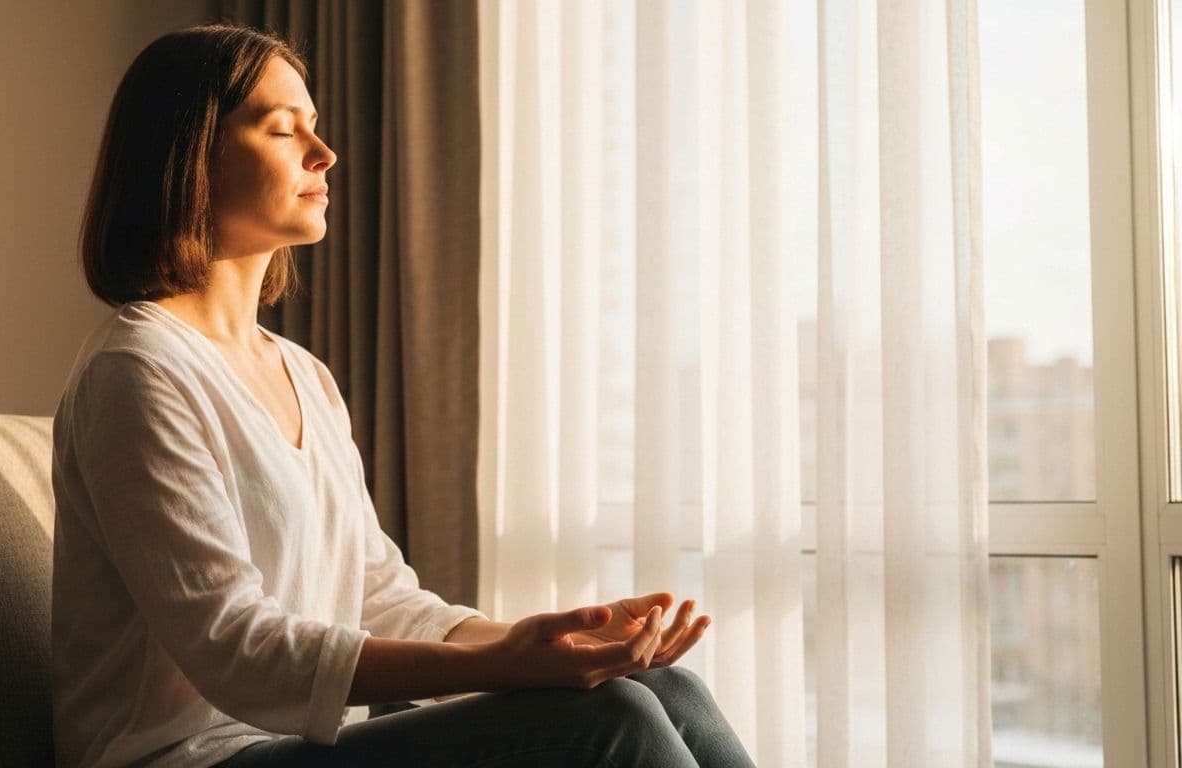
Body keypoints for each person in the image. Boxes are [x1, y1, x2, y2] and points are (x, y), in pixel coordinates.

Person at [51, 23, 755, 768]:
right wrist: (506, 664)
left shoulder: (302, 374)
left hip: (292, 749)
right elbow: (237, 649)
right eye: (282, 129)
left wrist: (552, 640)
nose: (324, 155)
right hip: (187, 759)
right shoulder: (137, 369)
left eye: (316, 129)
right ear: (189, 154)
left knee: (665, 687)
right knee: (611, 721)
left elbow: (377, 595)